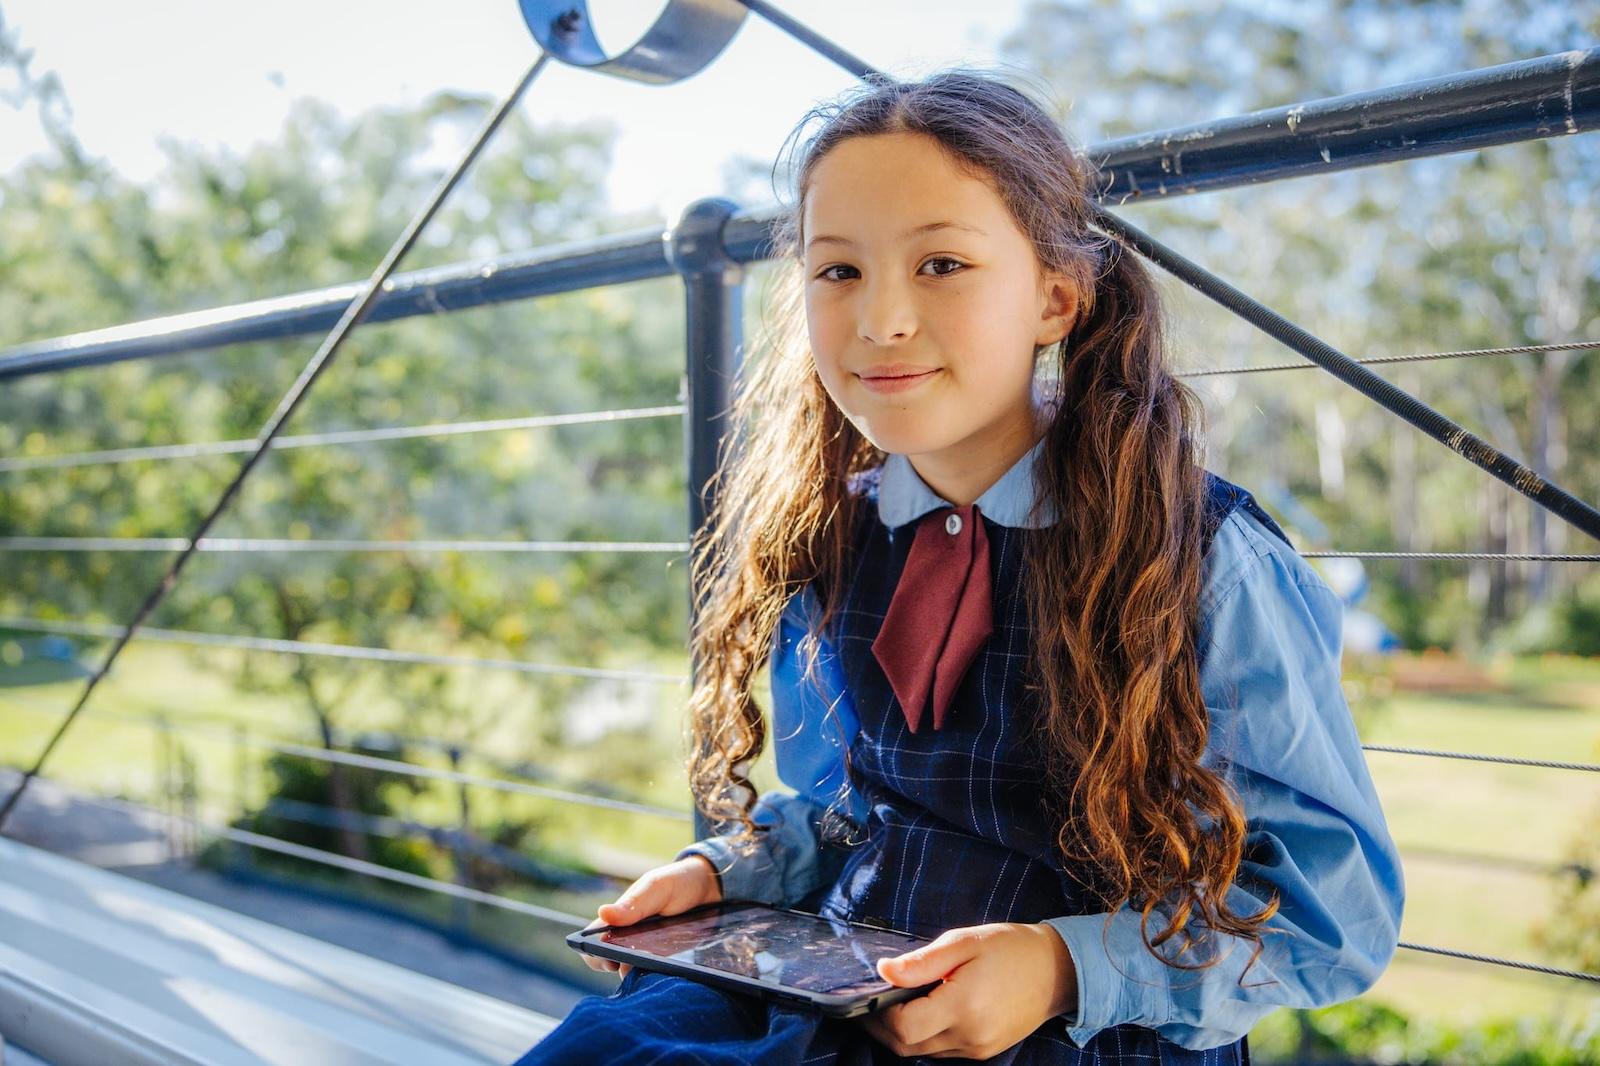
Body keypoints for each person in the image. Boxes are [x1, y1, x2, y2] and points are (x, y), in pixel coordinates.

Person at [514, 68, 1404, 1066]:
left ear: (1054, 300)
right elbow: (849, 812)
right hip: (843, 987)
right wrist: (727, 870)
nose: (881, 320)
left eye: (940, 263)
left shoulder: (1200, 555)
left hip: (1081, 1024)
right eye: (837, 271)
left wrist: (1063, 966)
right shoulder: (833, 540)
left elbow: (1332, 907)